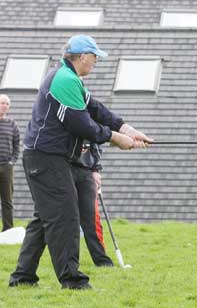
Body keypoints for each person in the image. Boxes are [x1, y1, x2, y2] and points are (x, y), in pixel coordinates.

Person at [9, 34, 151, 290]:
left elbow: (95, 109)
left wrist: (127, 128)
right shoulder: (64, 80)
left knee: (45, 220)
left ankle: (23, 277)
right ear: (83, 56)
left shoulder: (70, 79)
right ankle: (72, 280)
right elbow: (81, 124)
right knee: (65, 218)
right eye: (95, 57)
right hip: (47, 159)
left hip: (46, 158)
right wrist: (116, 138)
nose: (96, 62)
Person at [71, 141, 113, 267]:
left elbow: (97, 144)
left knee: (92, 219)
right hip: (64, 170)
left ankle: (102, 260)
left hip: (86, 171)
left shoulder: (94, 123)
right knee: (67, 219)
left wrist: (95, 169)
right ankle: (69, 262)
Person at [0, 94, 20, 232]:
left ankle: (7, 230)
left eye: (7, 103)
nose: (4, 105)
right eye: (2, 103)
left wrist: (12, 161)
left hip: (7, 166)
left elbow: (17, 144)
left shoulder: (12, 124)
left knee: (7, 200)